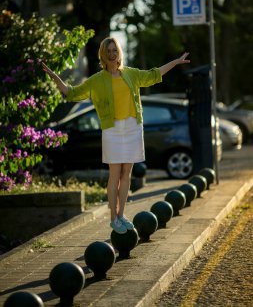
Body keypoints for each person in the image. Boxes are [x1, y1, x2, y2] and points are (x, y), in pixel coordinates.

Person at [42, 37, 190, 234]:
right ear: (103, 55)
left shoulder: (131, 74)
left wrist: (175, 62)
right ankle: (113, 219)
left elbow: (154, 75)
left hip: (132, 128)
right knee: (115, 175)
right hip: (112, 129)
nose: (112, 55)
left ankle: (121, 215)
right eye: (108, 51)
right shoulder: (97, 80)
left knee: (126, 173)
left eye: (114, 50)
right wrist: (55, 77)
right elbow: (71, 93)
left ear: (119, 52)